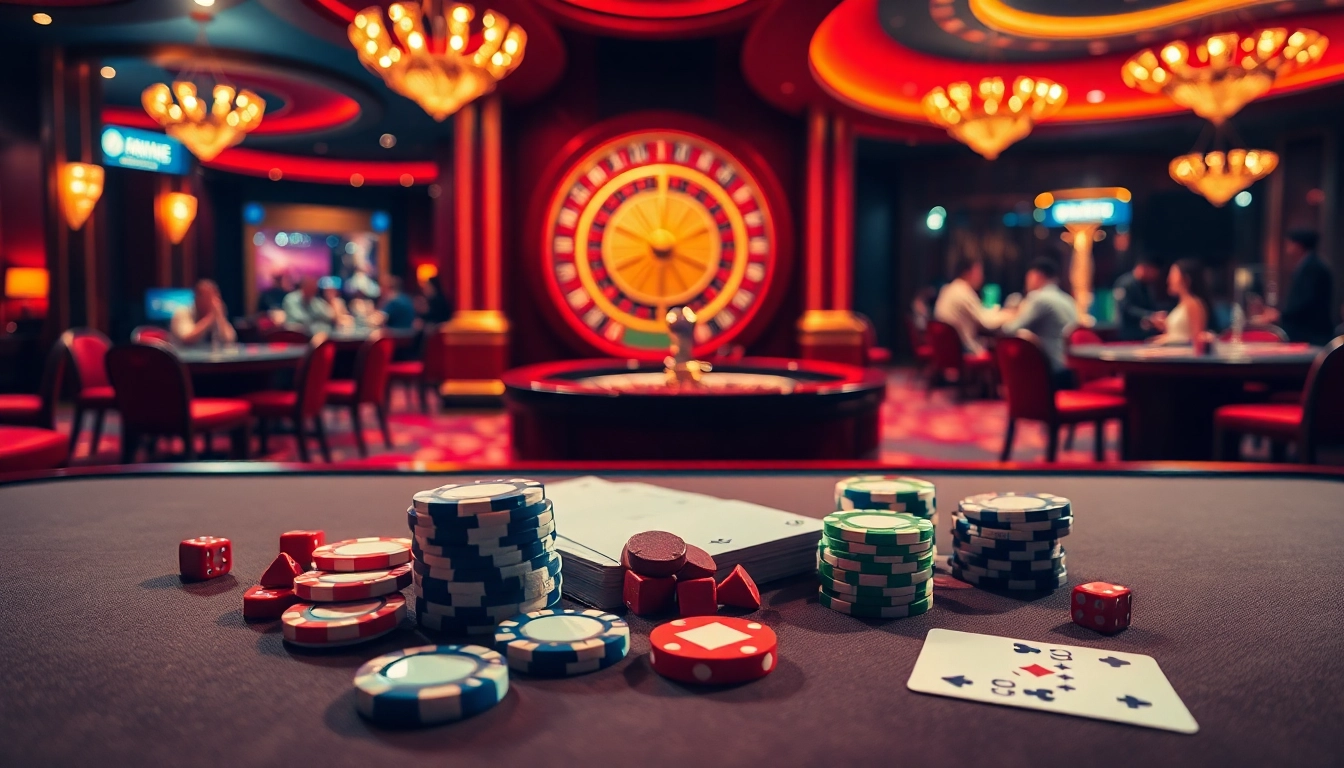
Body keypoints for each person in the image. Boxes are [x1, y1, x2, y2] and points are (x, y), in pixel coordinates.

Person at [1001, 257, 1078, 388]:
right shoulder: (1067, 299)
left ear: (1036, 276)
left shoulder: (1039, 298)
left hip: (1051, 372)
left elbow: (1009, 330)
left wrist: (1008, 316)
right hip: (1070, 369)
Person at [1253, 229, 1334, 345]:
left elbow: (1305, 302)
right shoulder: (1310, 265)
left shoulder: (1313, 267)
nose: (1287, 249)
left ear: (1298, 246)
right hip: (1308, 332)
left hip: (1311, 334)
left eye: (1290, 244)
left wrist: (1279, 315)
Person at [933, 256, 1000, 355]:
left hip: (945, 350)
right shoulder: (963, 291)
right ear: (968, 272)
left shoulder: (948, 288)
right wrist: (1012, 314)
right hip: (962, 351)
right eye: (979, 271)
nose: (982, 276)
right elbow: (987, 322)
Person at [1148, 258, 1209, 345]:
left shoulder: (1193, 304)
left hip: (1184, 353)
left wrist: (1168, 340)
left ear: (1186, 279)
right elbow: (1178, 333)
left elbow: (1197, 338)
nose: (1168, 280)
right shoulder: (1181, 304)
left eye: (1173, 276)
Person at [171, 279, 237, 346]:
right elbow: (187, 339)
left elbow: (229, 339)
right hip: (182, 352)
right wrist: (210, 317)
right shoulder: (182, 311)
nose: (212, 301)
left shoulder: (216, 313)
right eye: (207, 297)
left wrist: (220, 317)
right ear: (197, 298)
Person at [1112, 256, 1161, 341]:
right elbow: (1125, 308)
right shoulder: (1124, 283)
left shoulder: (1146, 285)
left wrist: (1155, 315)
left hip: (1144, 333)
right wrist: (1149, 315)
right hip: (1128, 333)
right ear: (1143, 268)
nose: (1154, 276)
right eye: (1152, 272)